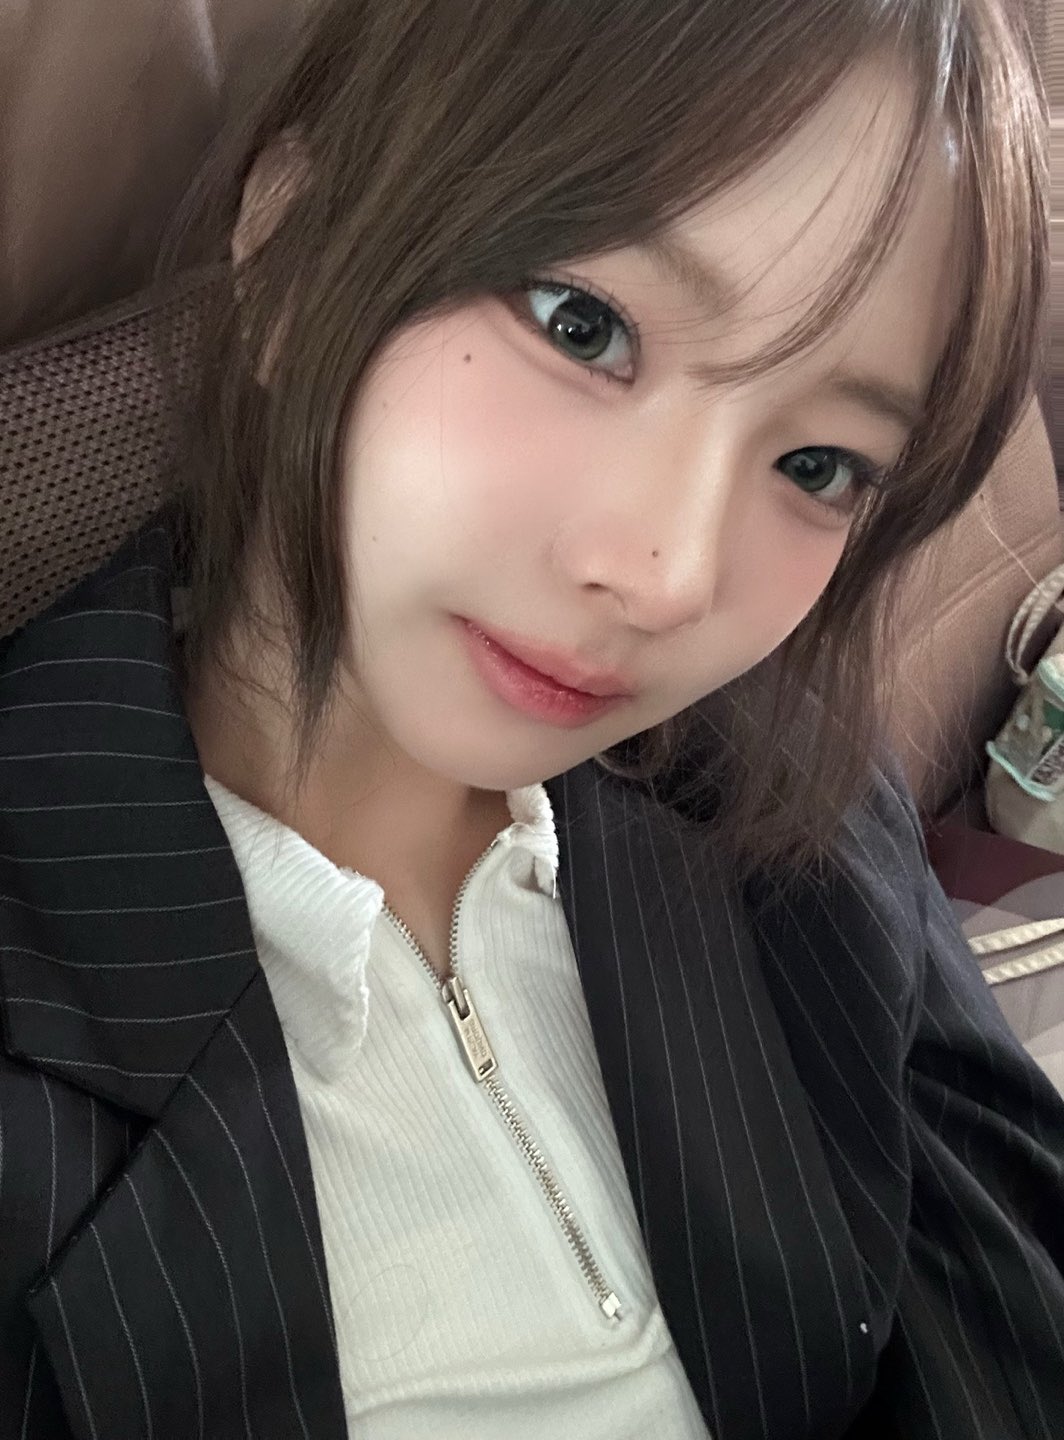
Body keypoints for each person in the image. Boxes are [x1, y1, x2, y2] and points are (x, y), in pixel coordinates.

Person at [1, 0, 1062, 1436]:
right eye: (584, 327)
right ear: (291, 252)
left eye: (818, 464)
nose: (671, 576)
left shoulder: (777, 782)